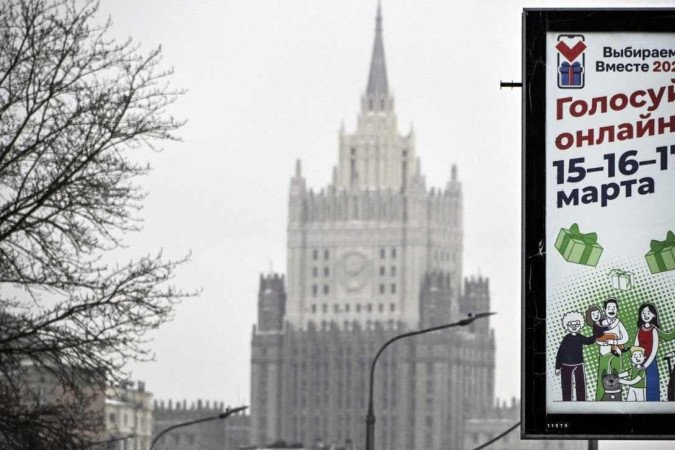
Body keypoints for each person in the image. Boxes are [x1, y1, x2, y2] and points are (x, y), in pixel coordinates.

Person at [556, 311, 596, 401]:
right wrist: (557, 367)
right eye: (571, 324)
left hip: (579, 364)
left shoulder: (580, 337)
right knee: (566, 385)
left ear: (580, 325)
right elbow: (560, 353)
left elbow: (588, 341)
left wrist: (596, 335)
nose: (574, 327)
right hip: (566, 365)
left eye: (576, 324)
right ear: (567, 325)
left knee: (580, 385)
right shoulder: (566, 338)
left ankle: (581, 402)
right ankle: (566, 402)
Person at [595, 298, 628, 401]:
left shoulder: (618, 323)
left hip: (616, 353)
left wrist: (612, 342)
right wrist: (604, 342)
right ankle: (599, 399)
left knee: (617, 375)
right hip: (604, 353)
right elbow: (597, 339)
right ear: (604, 309)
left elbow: (625, 338)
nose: (611, 309)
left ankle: (617, 398)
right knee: (602, 375)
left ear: (617, 310)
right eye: (609, 307)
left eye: (614, 307)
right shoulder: (601, 323)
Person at [634, 303, 660, 401]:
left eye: (648, 312)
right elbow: (636, 346)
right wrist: (635, 360)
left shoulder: (653, 330)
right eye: (643, 312)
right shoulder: (640, 329)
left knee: (651, 383)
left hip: (650, 362)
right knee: (638, 383)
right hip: (639, 360)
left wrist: (646, 364)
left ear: (653, 315)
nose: (645, 314)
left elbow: (654, 350)